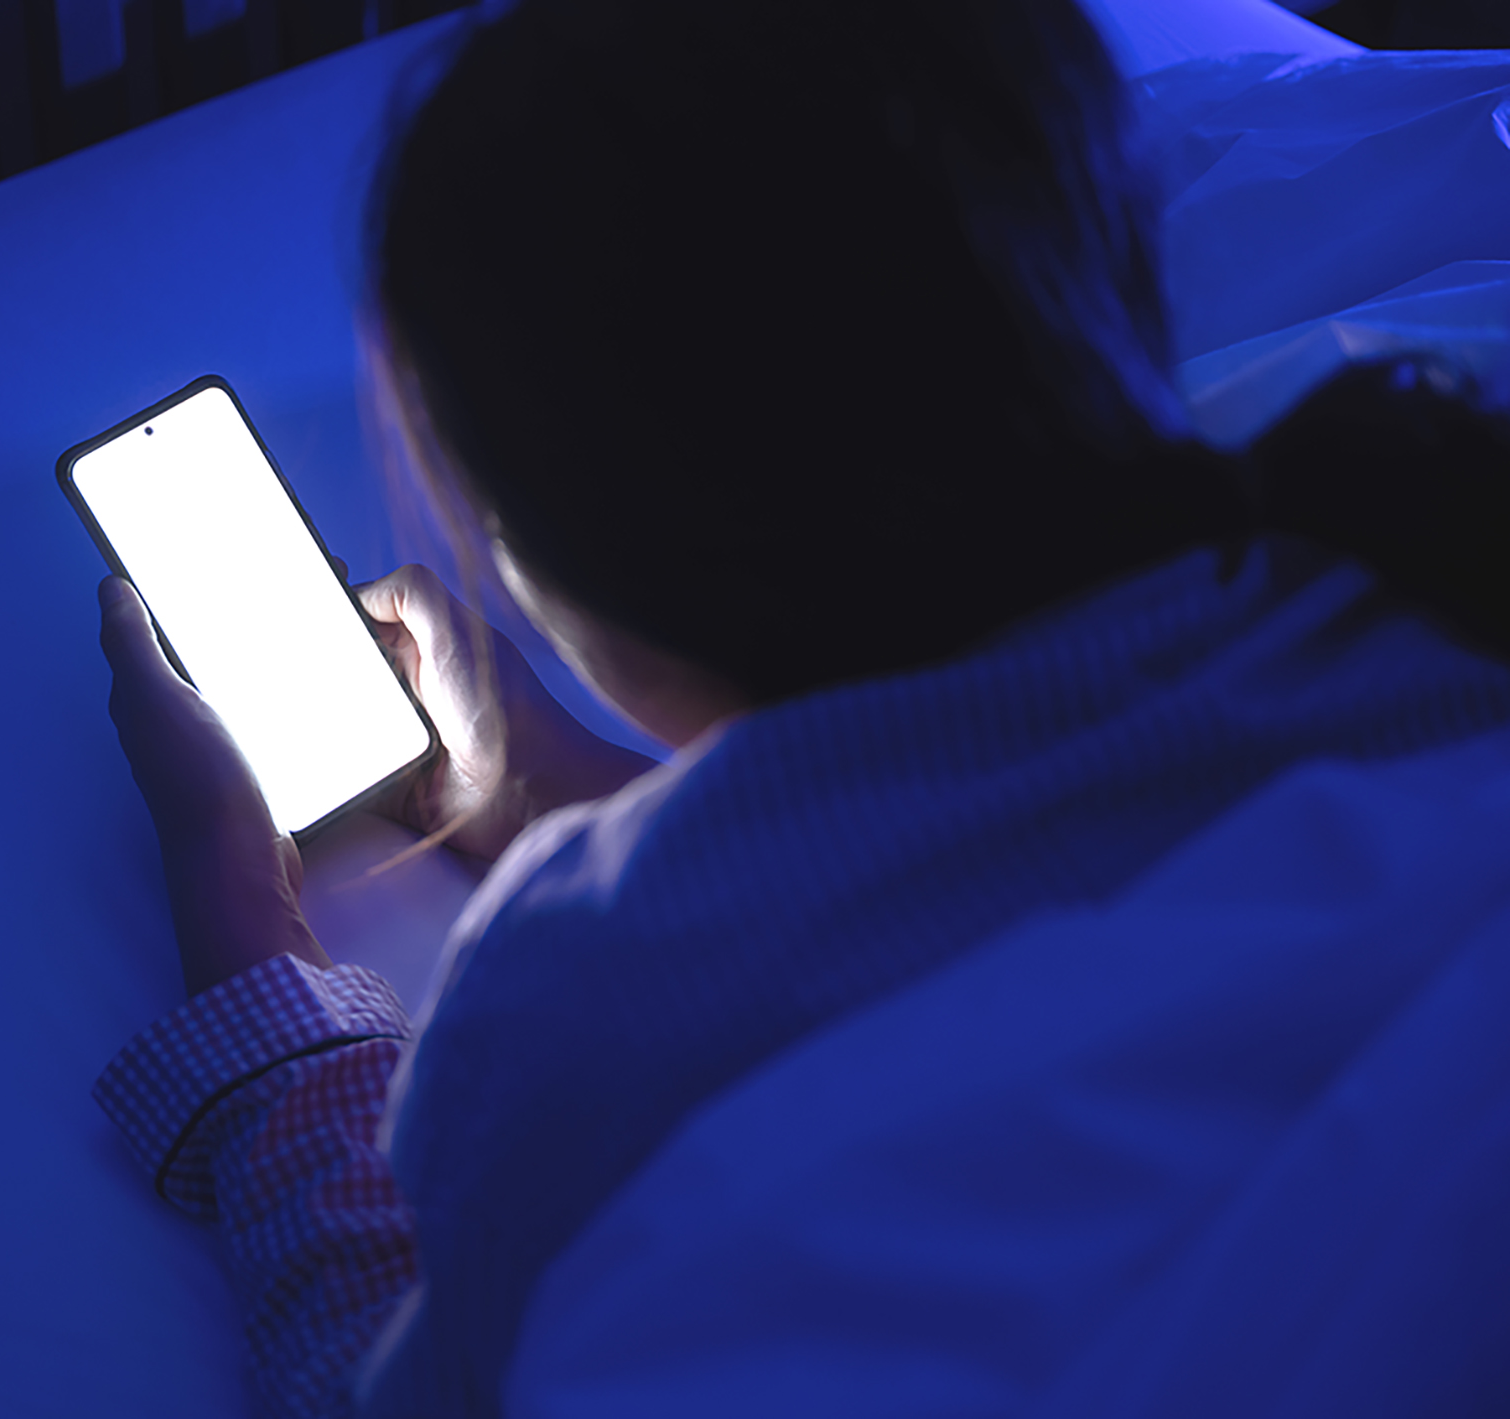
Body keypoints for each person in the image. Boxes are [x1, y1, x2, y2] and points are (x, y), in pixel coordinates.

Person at [90, 1, 1510, 1415]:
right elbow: (1010, 839)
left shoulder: (568, 1004)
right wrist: (553, 778)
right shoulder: (1418, 569)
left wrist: (246, 930)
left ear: (581, 565)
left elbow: (391, 1389)